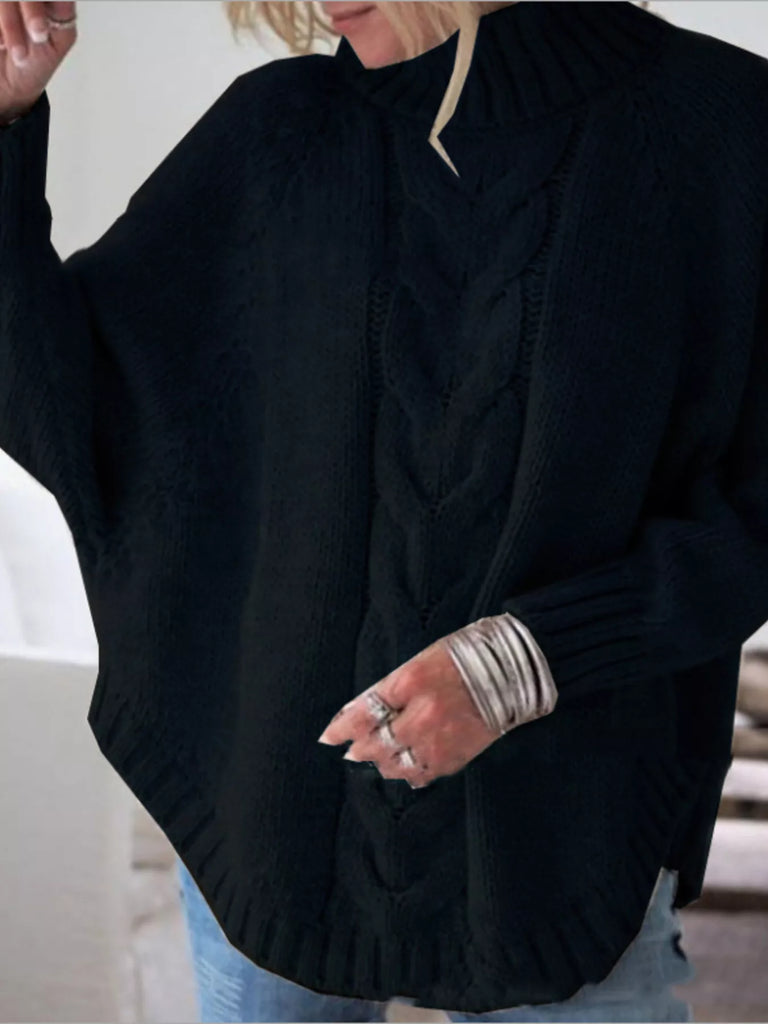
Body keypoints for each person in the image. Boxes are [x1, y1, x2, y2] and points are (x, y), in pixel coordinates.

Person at [1, 1, 767, 1020]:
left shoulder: (723, 129)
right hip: (271, 838)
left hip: (572, 851)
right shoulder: (278, 133)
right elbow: (66, 407)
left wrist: (522, 662)